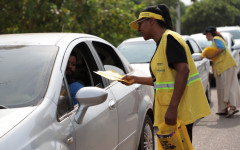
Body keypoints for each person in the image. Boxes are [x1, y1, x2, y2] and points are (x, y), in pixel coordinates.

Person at [121, 4, 211, 142]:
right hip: (175, 112)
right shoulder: (163, 42)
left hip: (179, 111)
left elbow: (183, 70)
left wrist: (172, 109)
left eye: (140, 24)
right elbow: (163, 80)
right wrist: (135, 79)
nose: (139, 29)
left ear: (152, 21)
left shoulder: (170, 39)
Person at [203, 26, 240, 118]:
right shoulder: (216, 40)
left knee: (228, 87)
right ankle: (223, 109)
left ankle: (232, 107)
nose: (206, 37)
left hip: (226, 66)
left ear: (209, 34)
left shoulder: (216, 39)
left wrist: (211, 56)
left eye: (206, 35)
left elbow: (221, 49)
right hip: (223, 67)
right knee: (222, 87)